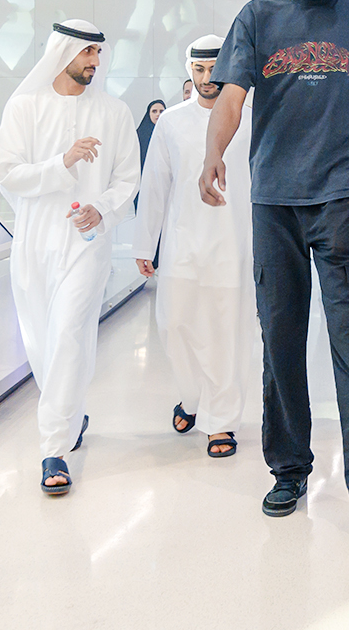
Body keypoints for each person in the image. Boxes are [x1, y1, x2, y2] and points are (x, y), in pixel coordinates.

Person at [201, 0, 349, 554]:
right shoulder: (258, 17)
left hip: (341, 198)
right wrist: (212, 154)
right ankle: (289, 468)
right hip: (274, 201)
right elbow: (231, 97)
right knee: (281, 339)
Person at [0, 20, 142, 496]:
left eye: (98, 53)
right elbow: (9, 174)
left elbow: (128, 178)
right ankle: (70, 412)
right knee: (42, 340)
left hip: (87, 242)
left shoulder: (115, 113)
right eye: (86, 53)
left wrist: (102, 209)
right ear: (62, 53)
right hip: (35, 240)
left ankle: (53, 449)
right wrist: (63, 162)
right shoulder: (24, 107)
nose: (95, 62)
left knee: (68, 332)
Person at [129, 35, 253, 460]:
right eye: (199, 70)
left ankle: (221, 421)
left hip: (233, 241)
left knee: (226, 331)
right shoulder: (171, 121)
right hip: (182, 241)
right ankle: (192, 396)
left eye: (214, 69)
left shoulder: (251, 118)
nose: (206, 78)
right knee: (174, 323)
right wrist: (145, 243)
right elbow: (154, 184)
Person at [136, 99, 166, 169]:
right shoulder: (140, 135)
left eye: (161, 111)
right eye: (154, 111)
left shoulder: (170, 133)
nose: (158, 114)